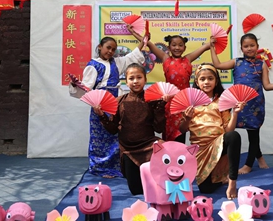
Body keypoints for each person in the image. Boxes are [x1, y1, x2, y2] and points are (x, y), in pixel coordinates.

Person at [210, 33, 273, 174]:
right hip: (239, 104)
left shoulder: (262, 65)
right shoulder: (236, 62)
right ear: (242, 48)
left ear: (257, 47)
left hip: (255, 104)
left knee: (253, 134)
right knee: (229, 131)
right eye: (246, 46)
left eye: (252, 45)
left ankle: (248, 165)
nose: (249, 48)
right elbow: (217, 65)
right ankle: (258, 157)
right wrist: (212, 47)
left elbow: (267, 86)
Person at [69, 36, 146, 178]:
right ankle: (100, 167)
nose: (110, 51)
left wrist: (143, 42)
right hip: (100, 104)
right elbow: (86, 87)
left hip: (116, 102)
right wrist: (76, 85)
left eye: (113, 49)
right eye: (108, 48)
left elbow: (131, 56)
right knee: (99, 136)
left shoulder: (117, 62)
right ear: (100, 47)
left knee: (116, 134)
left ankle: (117, 166)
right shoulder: (93, 65)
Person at [94, 63, 169, 195]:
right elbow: (112, 129)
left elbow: (159, 128)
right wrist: (102, 116)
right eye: (131, 78)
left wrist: (161, 106)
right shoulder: (119, 102)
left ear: (145, 79)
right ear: (126, 82)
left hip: (148, 146)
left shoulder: (152, 100)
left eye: (139, 77)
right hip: (128, 150)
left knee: (153, 188)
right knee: (136, 190)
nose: (135, 81)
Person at [128, 25, 211, 143]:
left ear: (184, 47)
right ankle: (168, 157)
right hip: (169, 102)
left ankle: (181, 156)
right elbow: (148, 43)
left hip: (185, 102)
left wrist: (213, 40)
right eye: (174, 45)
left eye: (180, 45)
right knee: (168, 132)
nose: (177, 47)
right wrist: (133, 32)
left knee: (183, 131)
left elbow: (206, 46)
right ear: (169, 47)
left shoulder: (188, 59)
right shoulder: (166, 58)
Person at [179, 62, 245, 200]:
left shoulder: (221, 101)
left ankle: (232, 181)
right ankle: (221, 179)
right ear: (197, 82)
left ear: (216, 81)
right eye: (202, 79)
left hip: (218, 145)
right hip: (200, 150)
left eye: (210, 78)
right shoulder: (190, 103)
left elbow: (228, 130)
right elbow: (182, 130)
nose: (206, 82)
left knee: (233, 136)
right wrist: (186, 118)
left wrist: (235, 113)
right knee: (206, 189)